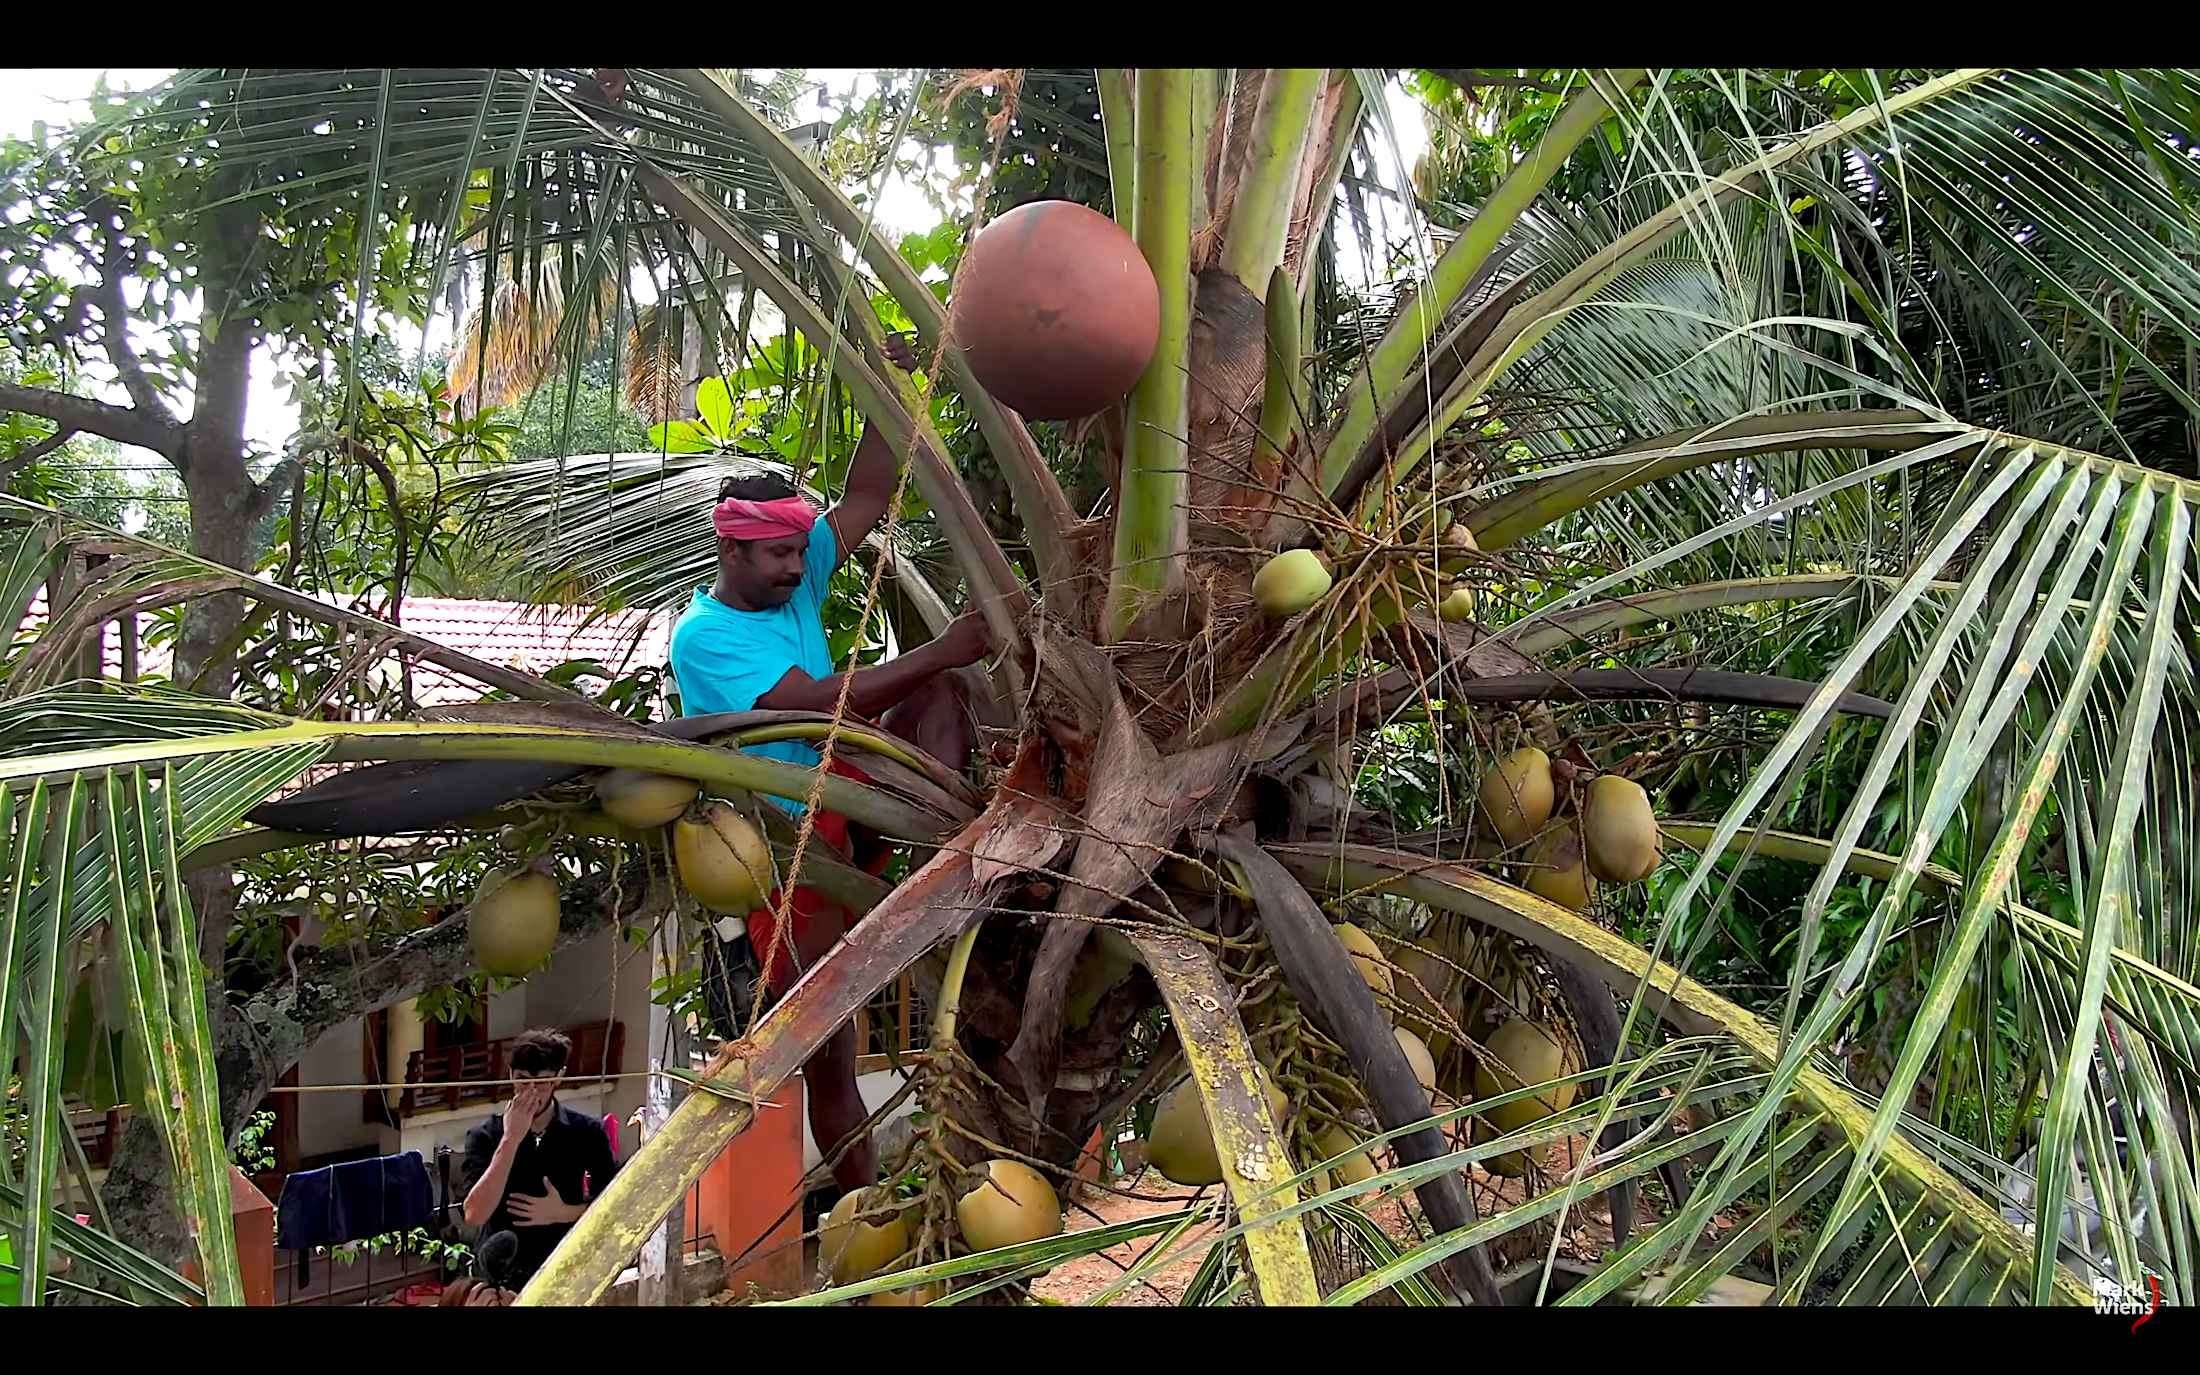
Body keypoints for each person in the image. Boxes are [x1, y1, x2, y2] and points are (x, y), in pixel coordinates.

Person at [668, 334, 993, 1196]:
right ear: (732, 552)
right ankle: (863, 1203)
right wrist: (946, 645)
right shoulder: (706, 637)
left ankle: (953, 859)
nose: (796, 569)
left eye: (797, 554)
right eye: (778, 557)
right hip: (784, 840)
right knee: (833, 1046)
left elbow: (868, 492)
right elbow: (816, 699)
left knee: (944, 702)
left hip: (851, 792)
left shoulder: (795, 565)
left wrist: (890, 380)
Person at [457, 1029, 618, 1292]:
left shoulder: (587, 1131)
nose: (531, 1092)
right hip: (499, 1275)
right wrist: (511, 1138)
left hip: (561, 1265)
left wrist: (563, 1212)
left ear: (558, 1077)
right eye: (522, 1080)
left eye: (541, 1082)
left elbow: (614, 1204)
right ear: (511, 1076)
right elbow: (474, 1213)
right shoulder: (485, 1135)